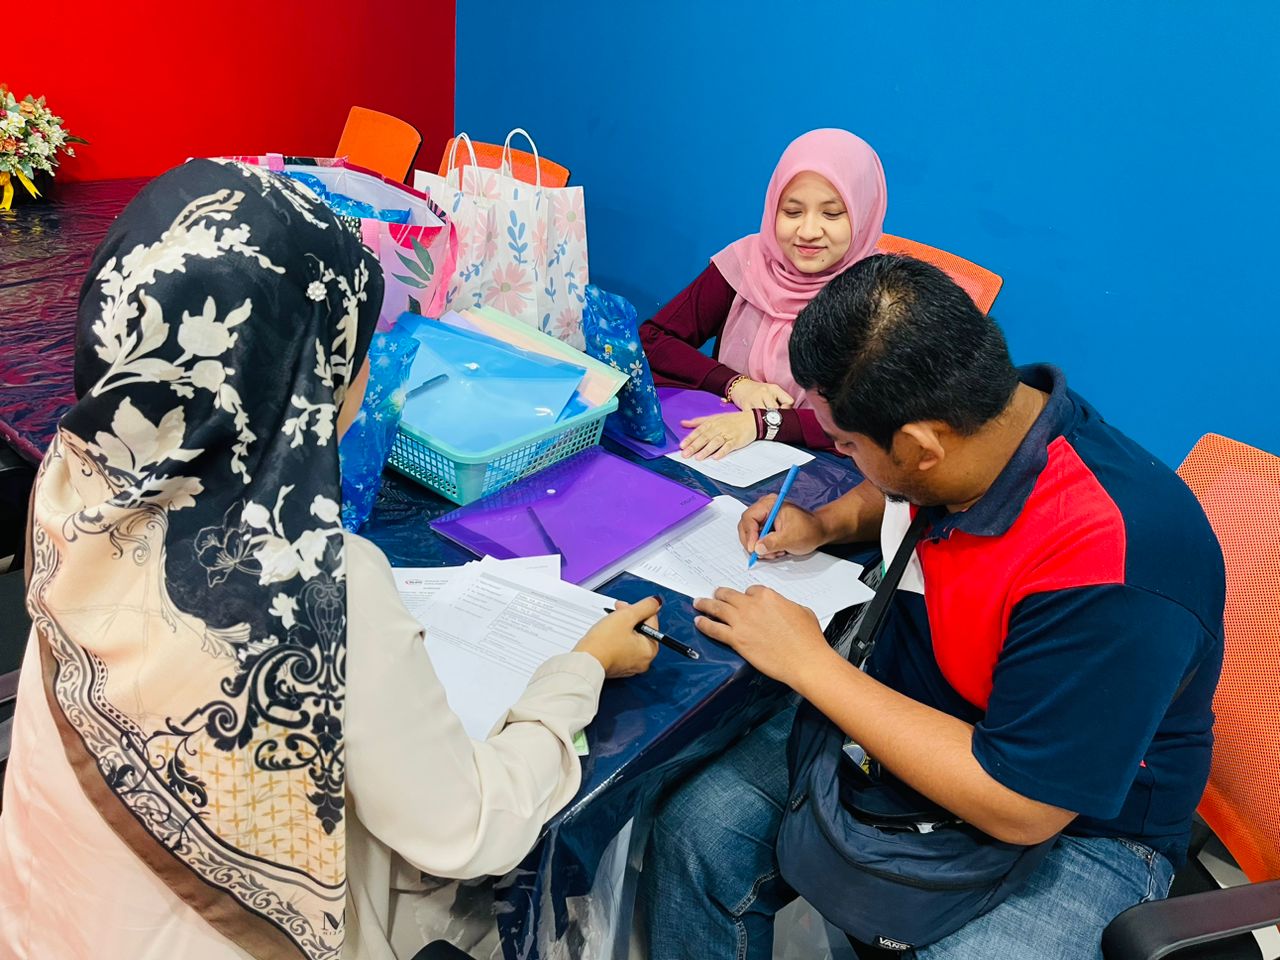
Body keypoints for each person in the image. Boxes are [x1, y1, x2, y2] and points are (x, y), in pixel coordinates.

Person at [0, 159, 660, 960]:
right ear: (297, 375)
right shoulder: (318, 579)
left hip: (47, 917)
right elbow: (467, 828)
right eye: (355, 348)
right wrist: (579, 672)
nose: (370, 372)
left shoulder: (72, 480)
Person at [641, 254, 1225, 959]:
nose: (842, 456)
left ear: (921, 447)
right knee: (698, 832)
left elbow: (1022, 805)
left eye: (846, 444)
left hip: (1076, 824)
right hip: (915, 703)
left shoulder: (1116, 566)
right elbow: (898, 491)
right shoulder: (986, 421)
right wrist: (824, 523)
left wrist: (808, 664)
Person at [639, 128, 887, 459]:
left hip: (829, 467)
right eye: (792, 212)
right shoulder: (748, 263)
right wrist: (736, 385)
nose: (808, 231)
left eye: (831, 214)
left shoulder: (883, 296)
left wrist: (764, 423)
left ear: (864, 213)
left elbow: (877, 421)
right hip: (728, 450)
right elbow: (652, 341)